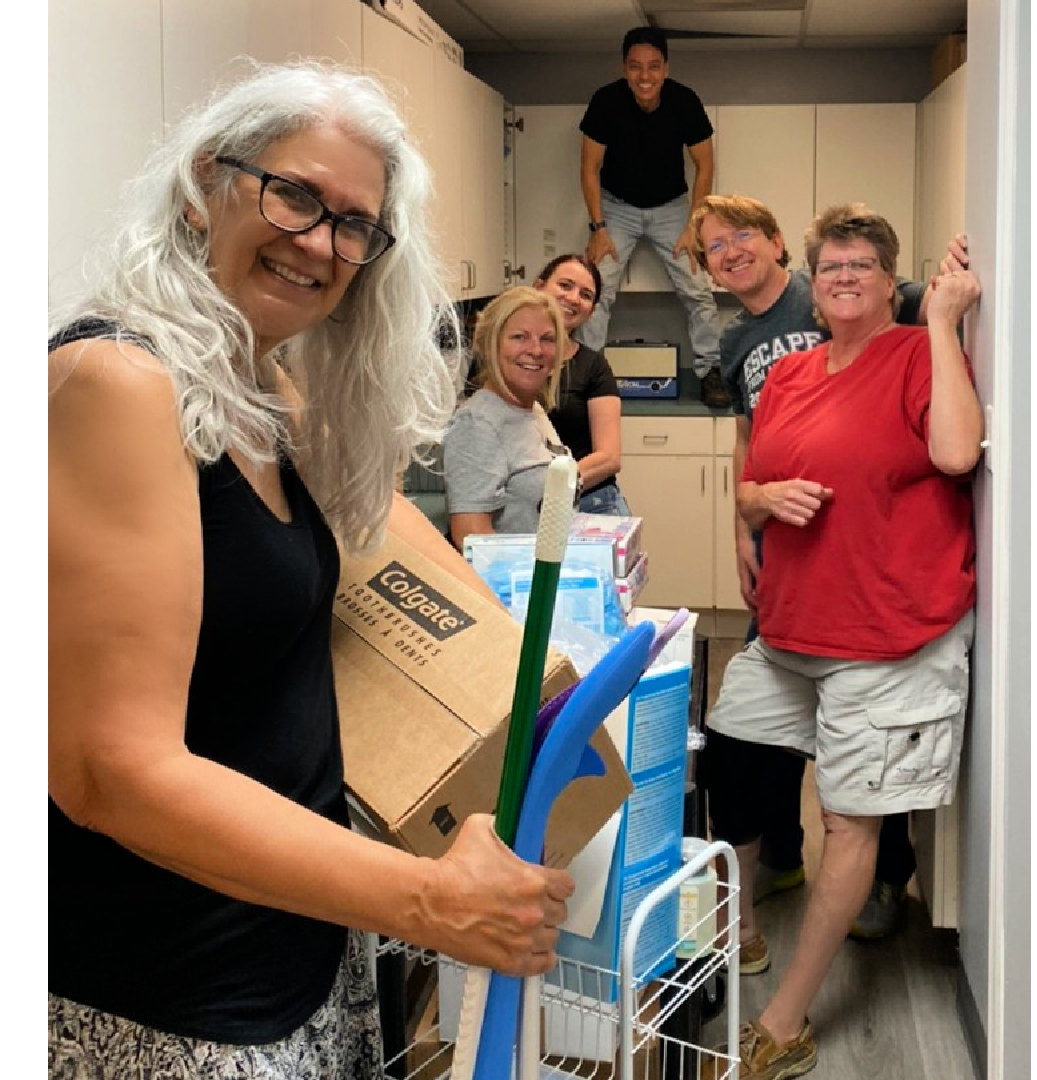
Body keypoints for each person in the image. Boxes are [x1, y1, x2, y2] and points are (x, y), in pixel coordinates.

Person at [48, 60, 577, 1078]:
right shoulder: (114, 383)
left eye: (354, 225)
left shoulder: (258, 387)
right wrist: (428, 900)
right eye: (294, 194)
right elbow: (107, 771)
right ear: (207, 183)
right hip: (173, 1001)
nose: (321, 244)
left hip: (300, 942)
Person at [703, 202, 982, 1078]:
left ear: (888, 276)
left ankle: (782, 1028)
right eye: (832, 267)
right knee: (732, 756)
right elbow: (749, 483)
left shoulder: (915, 353)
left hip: (887, 632)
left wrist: (939, 320)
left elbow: (957, 454)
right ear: (811, 282)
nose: (846, 277)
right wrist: (756, 505)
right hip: (789, 627)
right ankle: (739, 924)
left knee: (846, 818)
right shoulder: (790, 373)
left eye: (862, 263)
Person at [578, 26, 725, 391]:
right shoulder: (605, 102)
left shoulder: (685, 102)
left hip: (672, 208)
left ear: (666, 68)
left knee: (697, 291)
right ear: (624, 68)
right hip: (616, 208)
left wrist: (693, 225)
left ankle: (710, 372)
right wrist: (598, 229)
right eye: (636, 67)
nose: (645, 77)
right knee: (596, 291)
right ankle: (586, 380)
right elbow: (589, 168)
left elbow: (705, 165)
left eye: (654, 67)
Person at [443, 285, 570, 550]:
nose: (536, 350)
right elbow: (473, 540)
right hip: (516, 588)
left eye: (547, 339)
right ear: (491, 345)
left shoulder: (530, 409)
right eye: (519, 337)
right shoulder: (478, 424)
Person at [534, 253, 631, 516]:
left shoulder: (593, 367)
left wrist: (549, 491)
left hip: (591, 502)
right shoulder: (502, 361)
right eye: (565, 285)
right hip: (519, 508)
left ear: (591, 311)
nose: (574, 298)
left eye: (586, 295)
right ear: (538, 286)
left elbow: (609, 457)